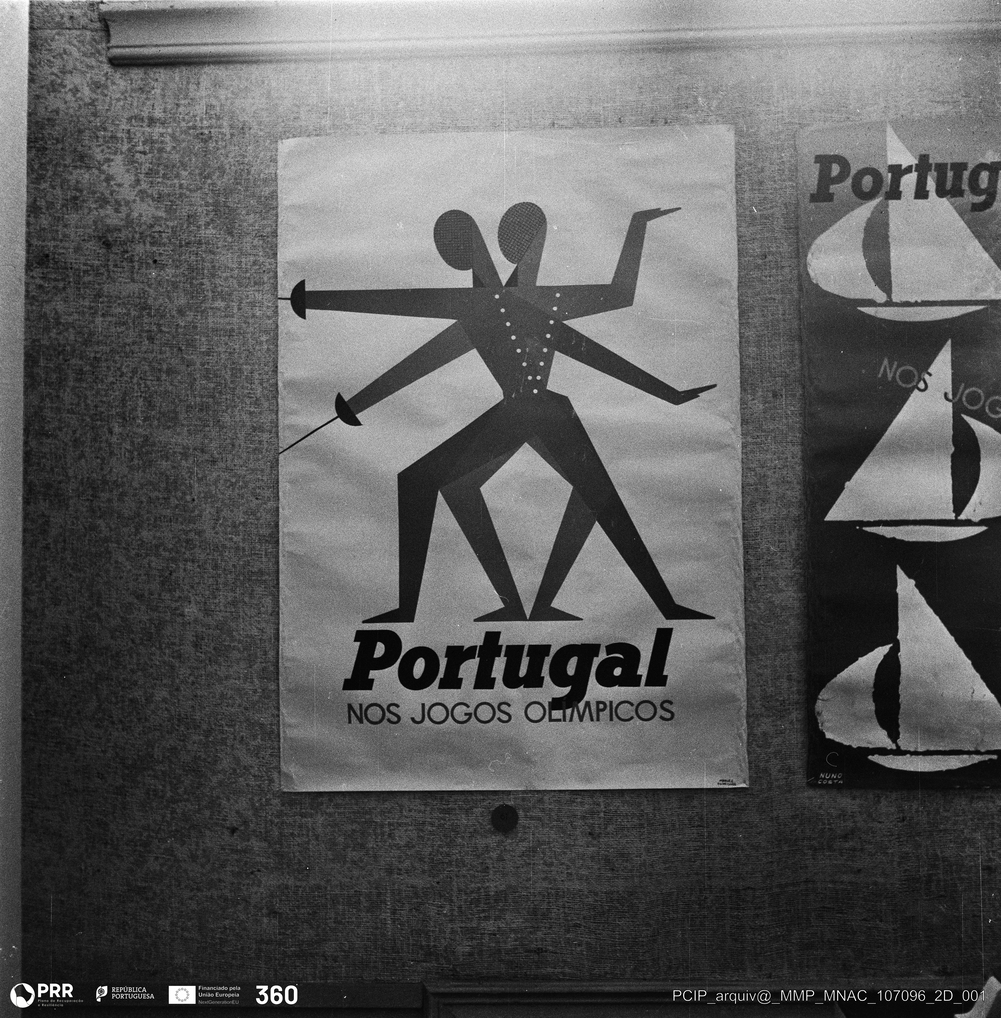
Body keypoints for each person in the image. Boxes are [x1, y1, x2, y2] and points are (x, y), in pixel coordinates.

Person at [286, 203, 714, 622]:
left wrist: (314, 303)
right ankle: (496, 605)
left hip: (537, 413)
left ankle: (659, 606)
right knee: (443, 484)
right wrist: (356, 394)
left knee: (596, 498)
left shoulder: (509, 303)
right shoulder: (501, 305)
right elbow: (421, 356)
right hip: (524, 413)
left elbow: (597, 336)